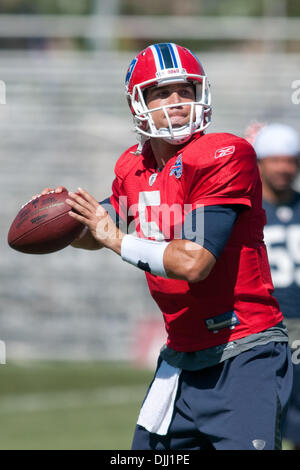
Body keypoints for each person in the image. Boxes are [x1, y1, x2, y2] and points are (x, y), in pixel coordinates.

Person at [40, 43, 292, 450]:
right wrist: (66, 217)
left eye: (186, 91)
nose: (177, 102)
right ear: (138, 102)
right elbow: (96, 228)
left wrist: (116, 239)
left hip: (244, 352)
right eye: (162, 92)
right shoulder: (133, 167)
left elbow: (194, 262)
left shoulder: (224, 155)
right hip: (181, 357)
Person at [252, 123, 300, 450]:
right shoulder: (246, 209)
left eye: (291, 161)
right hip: (261, 328)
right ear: (259, 163)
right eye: (276, 160)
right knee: (259, 422)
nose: (284, 168)